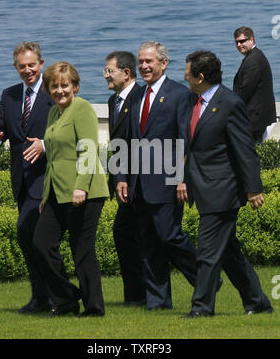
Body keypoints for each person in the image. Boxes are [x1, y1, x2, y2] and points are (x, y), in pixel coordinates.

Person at [179, 50, 273, 318]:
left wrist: (253, 188)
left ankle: (201, 308)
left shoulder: (229, 103)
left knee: (207, 252)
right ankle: (257, 301)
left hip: (223, 190)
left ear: (200, 76)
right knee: (229, 252)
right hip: (203, 187)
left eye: (188, 72)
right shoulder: (192, 101)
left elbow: (245, 149)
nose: (184, 76)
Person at [117, 41, 197, 310]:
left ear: (164, 63)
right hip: (139, 184)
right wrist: (122, 177)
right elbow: (127, 141)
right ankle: (158, 301)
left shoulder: (179, 94)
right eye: (140, 61)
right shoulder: (136, 96)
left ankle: (206, 279)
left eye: (149, 61)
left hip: (168, 181)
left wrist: (182, 178)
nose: (143, 66)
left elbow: (186, 141)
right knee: (148, 243)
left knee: (170, 236)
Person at [33, 61, 109, 317]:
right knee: (41, 243)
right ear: (48, 89)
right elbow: (53, 158)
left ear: (75, 86)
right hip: (56, 192)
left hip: (84, 191)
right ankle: (66, 298)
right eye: (54, 86)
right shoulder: (54, 113)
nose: (60, 90)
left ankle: (94, 307)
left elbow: (88, 148)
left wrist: (81, 187)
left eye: (65, 85)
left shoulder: (82, 108)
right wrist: (45, 196)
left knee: (82, 250)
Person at [0, 41, 53, 314]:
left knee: (34, 237)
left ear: (41, 64)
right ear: (16, 68)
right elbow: (1, 123)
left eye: (32, 65)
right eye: (22, 66)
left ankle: (53, 297)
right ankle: (43, 297)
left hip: (47, 178)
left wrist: (45, 143)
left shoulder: (55, 92)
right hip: (22, 181)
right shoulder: (10, 94)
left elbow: (67, 129)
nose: (27, 71)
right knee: (30, 239)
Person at [104, 51, 146, 305]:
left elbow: (136, 144)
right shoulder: (113, 101)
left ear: (126, 73)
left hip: (138, 180)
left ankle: (140, 294)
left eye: (109, 71)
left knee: (132, 233)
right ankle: (135, 295)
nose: (106, 76)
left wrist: (126, 178)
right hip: (122, 180)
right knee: (126, 234)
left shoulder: (141, 98)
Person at [233, 26, 276, 143]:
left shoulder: (252, 61)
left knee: (250, 153)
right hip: (258, 115)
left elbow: (245, 91)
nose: (239, 45)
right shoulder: (255, 56)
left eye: (242, 41)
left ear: (252, 40)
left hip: (255, 118)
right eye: (236, 42)